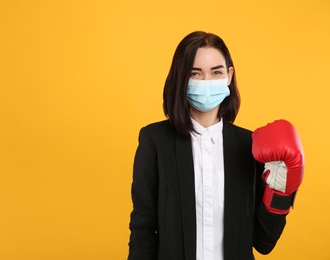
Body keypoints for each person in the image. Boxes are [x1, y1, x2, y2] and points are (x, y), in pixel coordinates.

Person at [128, 31, 304, 260]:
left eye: (216, 72)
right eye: (195, 73)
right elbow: (142, 229)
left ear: (229, 75)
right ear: (181, 77)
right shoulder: (155, 140)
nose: (206, 82)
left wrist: (281, 191)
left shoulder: (250, 146)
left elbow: (264, 242)